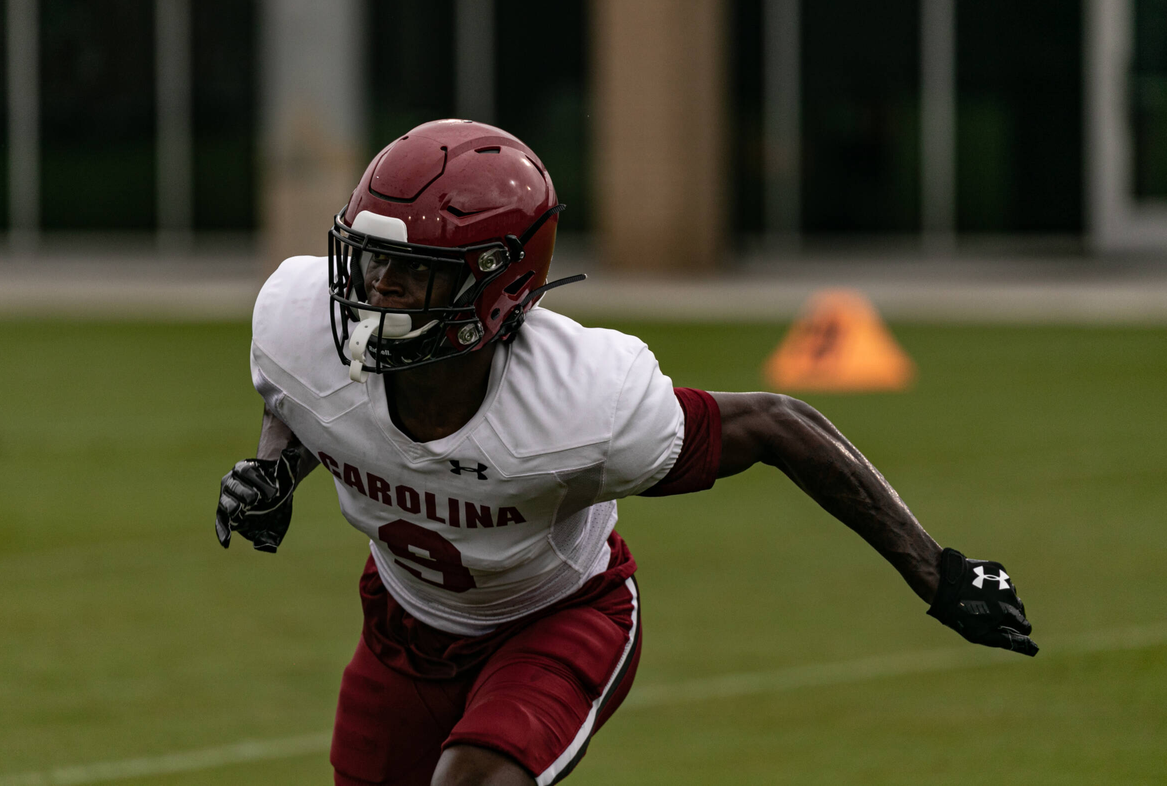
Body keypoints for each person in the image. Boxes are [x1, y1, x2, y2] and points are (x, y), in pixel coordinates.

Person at [215, 119, 1037, 786]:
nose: (376, 286)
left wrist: (938, 571)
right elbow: (300, 399)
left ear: (497, 285)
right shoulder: (299, 324)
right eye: (371, 256)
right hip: (401, 627)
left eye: (412, 269)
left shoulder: (579, 403)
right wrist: (278, 468)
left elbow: (779, 425)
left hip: (555, 619)